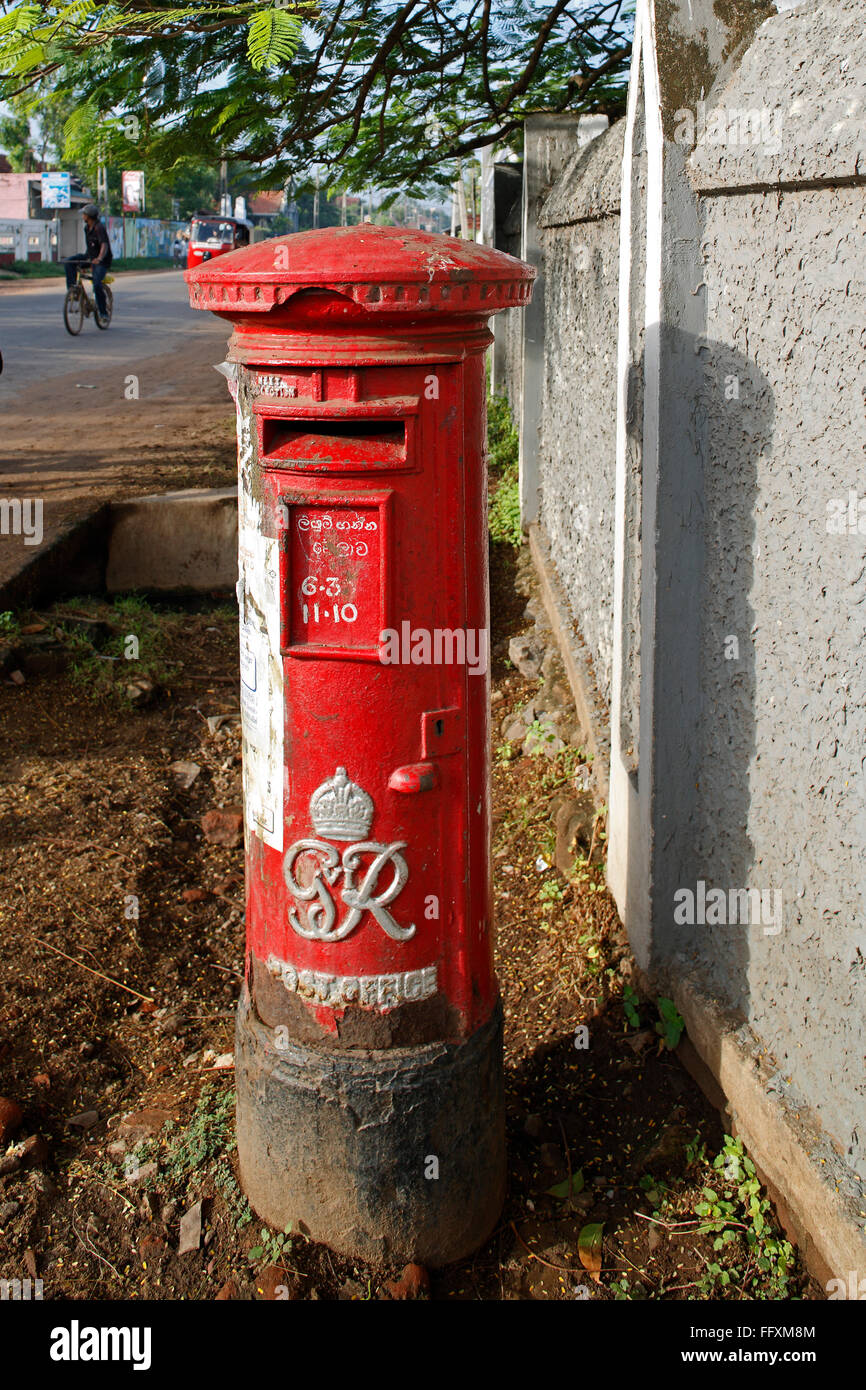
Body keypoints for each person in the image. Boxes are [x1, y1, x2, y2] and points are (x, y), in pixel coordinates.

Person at [64, 204, 112, 318]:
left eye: (84, 214)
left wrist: (99, 258)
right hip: (89, 257)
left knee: (96, 284)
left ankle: (103, 312)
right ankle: (74, 291)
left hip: (101, 261)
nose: (83, 216)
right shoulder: (87, 228)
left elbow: (104, 245)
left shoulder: (99, 227)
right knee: (69, 262)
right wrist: (89, 258)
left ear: (89, 216)